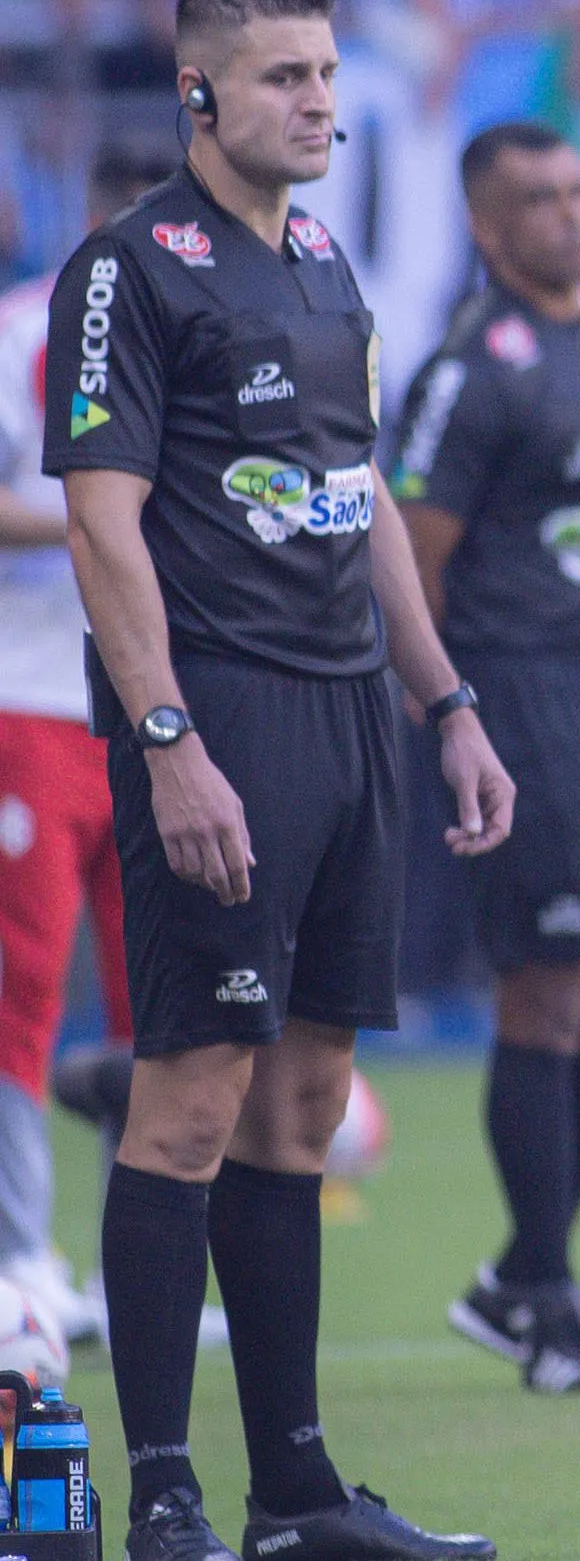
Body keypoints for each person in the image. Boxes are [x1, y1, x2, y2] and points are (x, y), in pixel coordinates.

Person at [42, 0, 507, 1561]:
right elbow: (105, 530)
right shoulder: (126, 271)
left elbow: (361, 493)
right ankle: (163, 1483)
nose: (321, 103)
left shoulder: (325, 264)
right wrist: (166, 737)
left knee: (304, 1101)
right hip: (219, 714)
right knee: (186, 1100)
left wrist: (445, 700)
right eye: (286, 79)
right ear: (200, 96)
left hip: (351, 713)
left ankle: (296, 1494)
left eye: (327, 77)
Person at [388, 120, 580, 1396]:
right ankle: (548, 1301)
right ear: (485, 226)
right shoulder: (470, 369)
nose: (575, 214)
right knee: (553, 992)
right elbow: (411, 564)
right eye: (541, 200)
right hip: (528, 701)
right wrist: (452, 713)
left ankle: (522, 1270)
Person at [0, 143, 175, 1347]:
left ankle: (138, 1272)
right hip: (26, 698)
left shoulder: (209, 333)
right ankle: (19, 1261)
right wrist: (102, 514)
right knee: (19, 989)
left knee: (153, 1001)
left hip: (159, 706)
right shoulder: (22, 329)